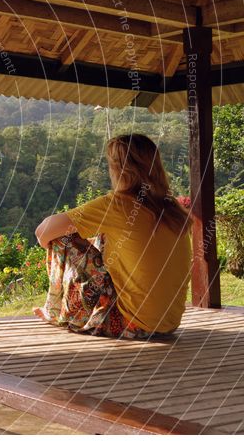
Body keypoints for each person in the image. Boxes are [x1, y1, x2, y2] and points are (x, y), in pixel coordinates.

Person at [33, 133, 192, 339]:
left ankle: (54, 311)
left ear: (119, 168)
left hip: (132, 324)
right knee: (103, 235)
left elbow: (43, 231)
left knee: (62, 239)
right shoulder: (172, 207)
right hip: (168, 324)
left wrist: (53, 247)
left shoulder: (118, 205)